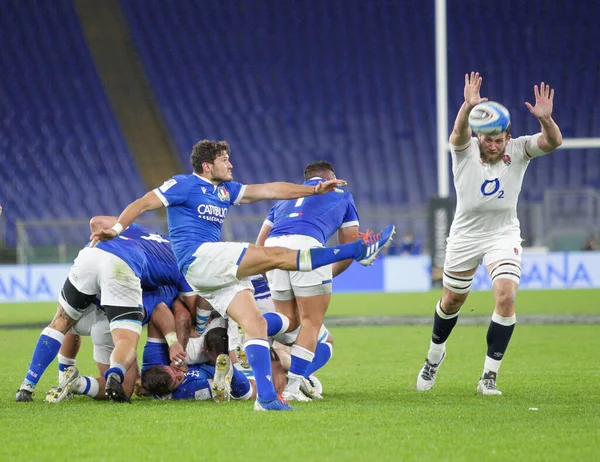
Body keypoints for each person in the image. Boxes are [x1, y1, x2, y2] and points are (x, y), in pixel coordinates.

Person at [90, 140, 395, 411]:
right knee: (277, 257)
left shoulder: (226, 190)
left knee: (256, 323)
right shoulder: (182, 184)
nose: (231, 164)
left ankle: (266, 399)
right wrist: (116, 229)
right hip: (200, 256)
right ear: (208, 165)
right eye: (225, 160)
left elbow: (269, 190)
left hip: (211, 271)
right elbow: (143, 203)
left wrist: (313, 189)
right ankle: (358, 250)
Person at [416, 73, 562, 395]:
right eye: (488, 140)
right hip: (465, 236)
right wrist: (467, 107)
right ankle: (435, 353)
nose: (494, 146)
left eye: (499, 140)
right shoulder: (465, 151)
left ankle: (488, 377)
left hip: (503, 234)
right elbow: (457, 132)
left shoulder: (519, 149)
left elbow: (552, 142)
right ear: (480, 137)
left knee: (506, 297)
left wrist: (547, 120)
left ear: (507, 137)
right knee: (453, 300)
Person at [16, 219, 189, 403]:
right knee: (125, 364)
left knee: (62, 322)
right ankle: (101, 378)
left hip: (91, 255)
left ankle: (29, 385)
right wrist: (174, 341)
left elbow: (96, 221)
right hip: (116, 292)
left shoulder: (138, 231)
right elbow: (169, 308)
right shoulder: (174, 273)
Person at [254, 160, 355, 400]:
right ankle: (293, 389)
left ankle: (254, 328)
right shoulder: (342, 194)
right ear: (331, 178)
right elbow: (350, 246)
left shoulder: (283, 200)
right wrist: (323, 273)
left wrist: (271, 273)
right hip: (307, 248)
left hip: (273, 249)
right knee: (311, 321)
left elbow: (260, 245)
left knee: (289, 320)